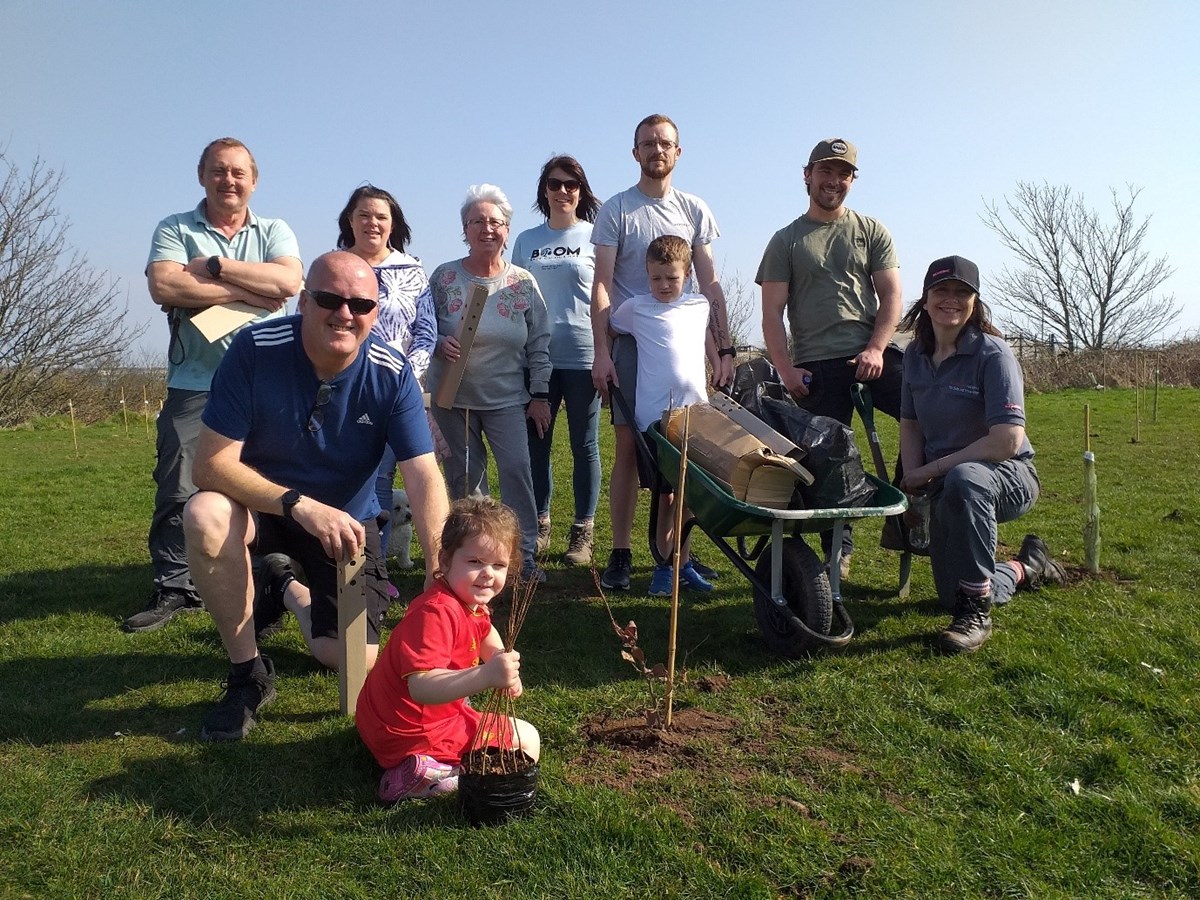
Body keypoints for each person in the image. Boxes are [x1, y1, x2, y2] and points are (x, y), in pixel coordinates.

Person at [182, 251, 450, 741]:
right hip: (262, 507)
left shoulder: (392, 373)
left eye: (361, 303)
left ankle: (284, 587)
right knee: (204, 515)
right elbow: (210, 465)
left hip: (345, 525)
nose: (344, 313)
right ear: (303, 301)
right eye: (329, 298)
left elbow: (424, 476)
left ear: (376, 310)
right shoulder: (255, 348)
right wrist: (299, 505)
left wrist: (440, 572)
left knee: (351, 658)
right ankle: (247, 675)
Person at [123, 138, 303, 633]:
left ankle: (274, 573)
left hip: (267, 381)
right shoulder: (175, 228)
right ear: (202, 175)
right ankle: (176, 586)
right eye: (219, 171)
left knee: (269, 480)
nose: (229, 180)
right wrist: (249, 289)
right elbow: (165, 286)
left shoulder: (274, 230)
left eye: (238, 172)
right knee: (180, 482)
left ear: (254, 179)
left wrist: (214, 269)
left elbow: (288, 284)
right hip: (196, 381)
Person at [590, 114, 735, 592]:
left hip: (685, 346)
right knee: (631, 449)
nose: (657, 149)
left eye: (665, 143)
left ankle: (677, 555)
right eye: (648, 143)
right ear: (635, 152)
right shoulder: (617, 210)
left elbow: (709, 283)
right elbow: (603, 285)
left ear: (678, 151)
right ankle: (621, 553)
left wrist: (723, 346)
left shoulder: (694, 210)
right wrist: (602, 352)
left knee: (686, 454)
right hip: (633, 345)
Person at [897, 255, 1065, 653]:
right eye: (942, 291)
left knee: (966, 478)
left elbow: (1006, 440)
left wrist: (931, 470)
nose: (951, 300)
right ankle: (1026, 568)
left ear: (975, 302)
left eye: (962, 292)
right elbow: (911, 424)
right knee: (947, 595)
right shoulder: (914, 358)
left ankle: (976, 615)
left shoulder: (994, 355)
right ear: (925, 298)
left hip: (1007, 476)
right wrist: (912, 479)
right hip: (946, 482)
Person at [757, 137, 904, 580]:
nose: (834, 181)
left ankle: (912, 512)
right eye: (826, 171)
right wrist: (786, 370)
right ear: (807, 175)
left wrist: (877, 348)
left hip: (869, 354)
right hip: (817, 365)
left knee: (930, 409)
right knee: (828, 456)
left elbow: (892, 295)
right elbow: (771, 315)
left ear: (852, 180)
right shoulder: (786, 240)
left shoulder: (871, 230)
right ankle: (837, 547)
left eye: (844, 173)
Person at [356, 497, 541, 803]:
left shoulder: (467, 601)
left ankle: (434, 766)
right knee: (527, 741)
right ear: (444, 561)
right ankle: (425, 775)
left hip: (386, 721)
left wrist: (495, 655)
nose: (488, 574)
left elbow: (484, 632)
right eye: (475, 562)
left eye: (499, 565)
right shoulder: (437, 613)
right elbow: (421, 686)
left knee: (514, 738)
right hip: (410, 731)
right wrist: (487, 674)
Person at [424, 184, 551, 582]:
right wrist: (436, 342)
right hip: (453, 399)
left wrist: (540, 393)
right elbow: (422, 329)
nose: (487, 229)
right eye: (477, 221)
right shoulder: (444, 278)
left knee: (517, 471)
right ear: (464, 229)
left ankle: (523, 556)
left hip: (507, 399)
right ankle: (474, 560)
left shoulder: (523, 283)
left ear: (507, 230)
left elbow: (540, 343)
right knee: (466, 480)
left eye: (495, 222)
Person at [335, 184, 436, 576]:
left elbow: (427, 330)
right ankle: (368, 564)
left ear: (393, 224)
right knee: (368, 479)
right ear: (350, 220)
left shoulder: (412, 270)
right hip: (347, 390)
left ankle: (434, 564)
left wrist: (404, 377)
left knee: (415, 473)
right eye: (364, 214)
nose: (372, 223)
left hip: (401, 389)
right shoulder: (335, 266)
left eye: (381, 216)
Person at [609, 235, 717, 596]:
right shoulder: (635, 308)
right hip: (654, 421)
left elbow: (706, 339)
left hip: (695, 417)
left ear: (686, 275)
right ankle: (661, 567)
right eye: (656, 279)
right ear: (647, 275)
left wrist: (719, 360)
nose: (664, 286)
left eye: (672, 278)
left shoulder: (699, 305)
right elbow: (611, 327)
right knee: (665, 495)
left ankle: (682, 564)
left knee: (690, 495)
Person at [511, 156, 601, 566]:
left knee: (585, 446)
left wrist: (608, 352)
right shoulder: (526, 241)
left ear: (581, 191)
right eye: (554, 183)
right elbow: (514, 301)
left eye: (571, 184)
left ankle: (583, 531)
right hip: (537, 359)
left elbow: (606, 298)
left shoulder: (597, 236)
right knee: (537, 446)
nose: (562, 191)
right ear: (543, 190)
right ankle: (539, 523)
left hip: (584, 356)